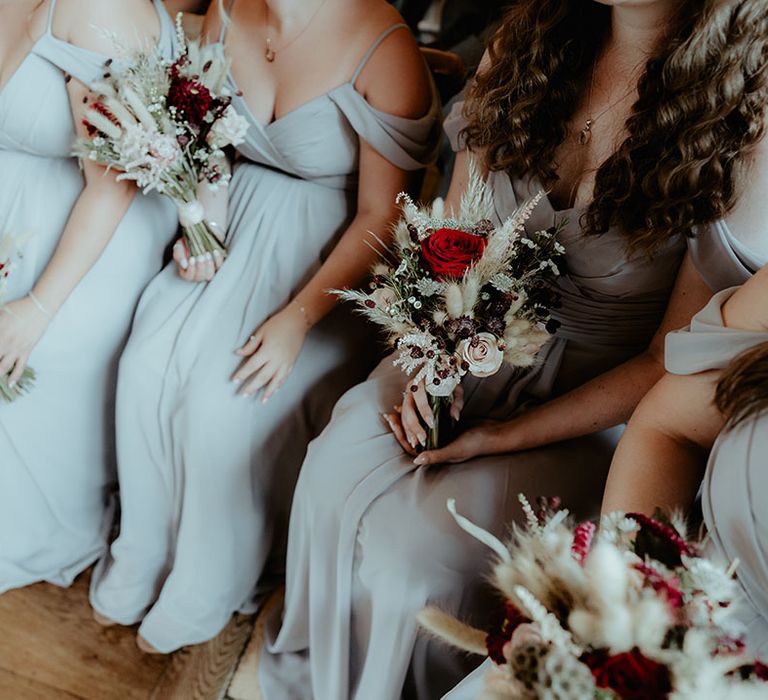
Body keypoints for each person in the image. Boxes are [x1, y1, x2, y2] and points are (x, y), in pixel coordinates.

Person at [257, 0, 768, 698]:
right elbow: (453, 244)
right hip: (466, 348)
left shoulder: (741, 121)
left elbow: (664, 361)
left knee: (415, 551)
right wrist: (435, 360)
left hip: (603, 401)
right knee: (333, 466)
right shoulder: (528, 38)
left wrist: (502, 435)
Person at [89, 0, 440, 654]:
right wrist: (203, 224)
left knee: (221, 405)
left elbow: (384, 216)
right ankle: (144, 550)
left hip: (327, 262)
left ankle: (205, 581)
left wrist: (297, 319)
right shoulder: (227, 11)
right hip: (236, 224)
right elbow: (211, 140)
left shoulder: (383, 46)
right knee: (144, 367)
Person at [0, 0, 178, 592]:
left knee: (26, 346)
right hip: (13, 188)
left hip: (92, 223)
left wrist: (37, 309)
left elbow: (112, 187)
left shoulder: (99, 11)